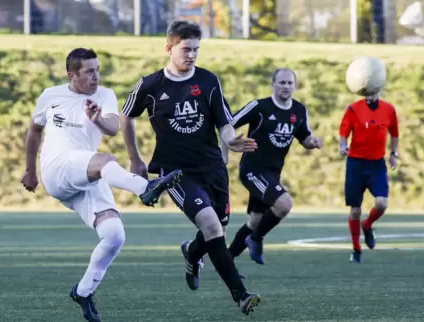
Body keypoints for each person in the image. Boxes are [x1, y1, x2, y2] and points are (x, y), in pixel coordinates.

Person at [21, 48, 182, 322]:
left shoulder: (105, 95)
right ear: (72, 75)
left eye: (97, 70)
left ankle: (83, 291)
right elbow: (35, 129)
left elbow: (112, 127)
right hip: (57, 169)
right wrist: (29, 170)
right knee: (104, 160)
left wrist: (97, 118)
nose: (95, 76)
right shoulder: (50, 95)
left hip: (87, 174)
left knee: (114, 235)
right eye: (88, 71)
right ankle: (146, 188)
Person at [120, 20, 261, 315]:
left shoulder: (209, 81)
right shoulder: (150, 85)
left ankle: (192, 252)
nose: (192, 55)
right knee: (211, 225)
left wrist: (232, 141)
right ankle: (241, 294)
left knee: (217, 230)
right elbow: (126, 116)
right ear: (169, 48)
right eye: (186, 49)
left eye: (197, 49)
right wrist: (135, 158)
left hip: (212, 168)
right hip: (178, 174)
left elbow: (224, 123)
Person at [223, 68, 323, 265]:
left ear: (294, 86)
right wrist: (224, 152)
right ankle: (256, 239)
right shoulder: (259, 107)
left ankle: (225, 262)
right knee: (284, 205)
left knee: (254, 222)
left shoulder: (299, 111)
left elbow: (305, 138)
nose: (286, 86)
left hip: (272, 174)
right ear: (273, 85)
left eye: (289, 83)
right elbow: (227, 123)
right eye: (282, 82)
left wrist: (314, 142)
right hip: (252, 171)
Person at [339, 90, 399, 263]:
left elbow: (394, 134)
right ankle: (356, 249)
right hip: (356, 164)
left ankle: (367, 225)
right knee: (355, 210)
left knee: (381, 203)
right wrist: (343, 147)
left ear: (379, 88)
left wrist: (394, 153)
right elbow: (343, 134)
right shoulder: (353, 109)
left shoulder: (389, 109)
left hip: (377, 164)